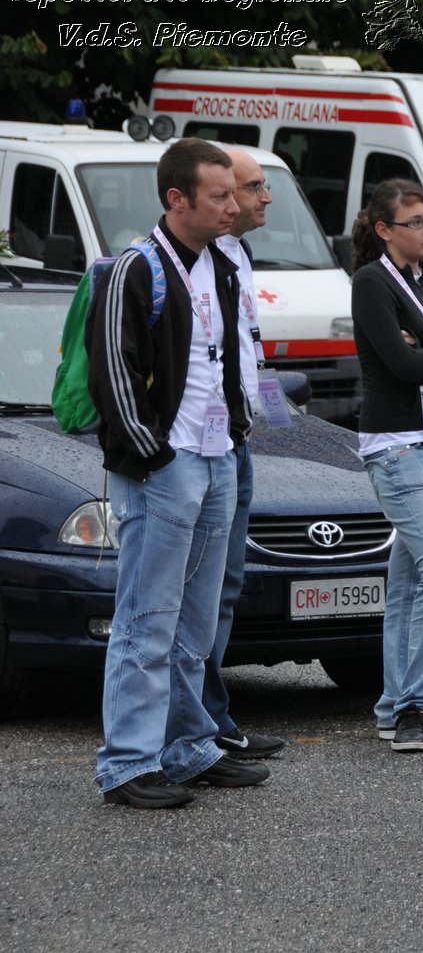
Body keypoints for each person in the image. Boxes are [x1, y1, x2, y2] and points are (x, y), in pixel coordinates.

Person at [88, 138, 269, 808]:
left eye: (234, 193)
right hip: (168, 463)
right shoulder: (135, 268)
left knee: (194, 622)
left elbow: (229, 359)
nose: (234, 206)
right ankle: (128, 762)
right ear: (176, 198)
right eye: (219, 196)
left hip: (217, 455)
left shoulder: (218, 264)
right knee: (146, 617)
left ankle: (189, 746)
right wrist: (155, 453)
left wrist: (236, 437)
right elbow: (115, 369)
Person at [350, 178, 423, 753]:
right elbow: (397, 363)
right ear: (384, 230)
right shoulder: (372, 282)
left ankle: (394, 705)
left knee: (409, 578)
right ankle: (417, 704)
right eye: (416, 221)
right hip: (396, 445)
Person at [200, 147, 286, 763]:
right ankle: (197, 723)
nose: (260, 198)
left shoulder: (239, 253)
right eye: (253, 186)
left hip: (237, 439)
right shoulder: (188, 257)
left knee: (226, 586)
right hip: (197, 448)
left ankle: (212, 715)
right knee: (196, 591)